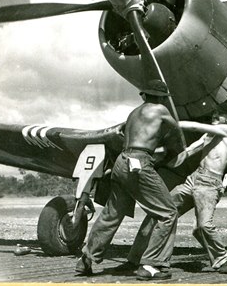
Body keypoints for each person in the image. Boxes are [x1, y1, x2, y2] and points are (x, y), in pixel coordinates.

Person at [75, 79, 182, 281]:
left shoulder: (133, 113)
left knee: (112, 213)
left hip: (121, 161)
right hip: (140, 162)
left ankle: (86, 258)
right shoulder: (160, 110)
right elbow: (177, 129)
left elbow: (129, 136)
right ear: (161, 97)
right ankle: (152, 265)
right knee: (168, 213)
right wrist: (171, 148)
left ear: (144, 94)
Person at [115, 110, 227, 274]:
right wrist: (174, 156)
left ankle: (222, 258)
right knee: (160, 213)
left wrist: (174, 123)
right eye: (214, 112)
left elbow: (194, 126)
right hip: (193, 179)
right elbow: (192, 148)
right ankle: (137, 259)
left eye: (221, 112)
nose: (215, 114)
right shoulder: (209, 134)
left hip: (210, 184)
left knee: (203, 226)